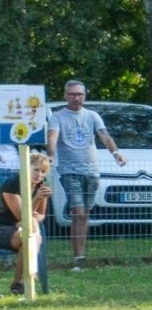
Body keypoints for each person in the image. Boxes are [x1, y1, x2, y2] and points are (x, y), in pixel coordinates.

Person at [46, 80, 126, 271]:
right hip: (69, 171)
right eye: (72, 94)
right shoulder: (57, 117)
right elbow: (52, 137)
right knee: (77, 212)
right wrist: (50, 155)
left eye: (79, 94)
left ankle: (81, 257)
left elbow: (104, 136)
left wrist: (116, 153)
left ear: (85, 96)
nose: (76, 98)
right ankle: (77, 258)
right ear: (65, 96)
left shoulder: (92, 115)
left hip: (91, 171)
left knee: (84, 216)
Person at [2, 153, 50, 294]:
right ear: (25, 168)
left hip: (23, 229)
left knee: (30, 235)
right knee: (31, 236)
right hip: (3, 227)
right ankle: (23, 279)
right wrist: (37, 199)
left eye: (43, 171)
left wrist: (34, 216)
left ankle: (19, 283)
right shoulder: (11, 186)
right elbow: (21, 216)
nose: (39, 175)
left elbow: (41, 215)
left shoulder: (41, 184)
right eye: (36, 170)